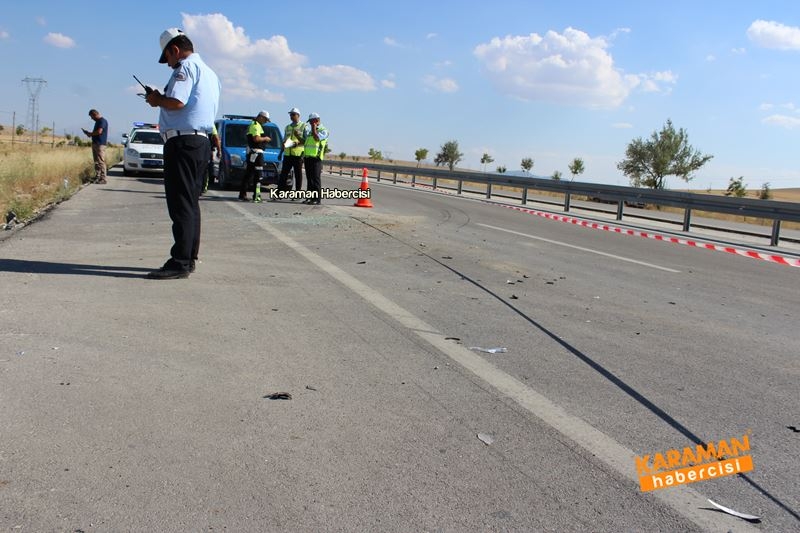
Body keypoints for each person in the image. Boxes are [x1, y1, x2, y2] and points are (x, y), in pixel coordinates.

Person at [144, 28, 220, 280]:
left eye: (167, 58)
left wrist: (156, 99)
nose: (168, 65)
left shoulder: (185, 69)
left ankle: (180, 261)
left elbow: (177, 101)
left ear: (175, 50)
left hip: (183, 143)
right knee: (191, 203)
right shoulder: (210, 73)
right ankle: (189, 257)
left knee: (180, 203)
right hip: (199, 143)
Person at [238, 110, 272, 202]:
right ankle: (256, 196)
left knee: (249, 174)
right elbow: (256, 139)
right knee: (258, 175)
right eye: (265, 120)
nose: (265, 122)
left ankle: (243, 194)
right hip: (256, 153)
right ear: (261, 117)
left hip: (253, 153)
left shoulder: (253, 124)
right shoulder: (256, 125)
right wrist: (266, 138)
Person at [277, 107, 305, 195]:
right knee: (283, 174)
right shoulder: (287, 127)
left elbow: (306, 140)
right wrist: (281, 152)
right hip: (287, 154)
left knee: (298, 175)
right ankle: (279, 193)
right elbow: (284, 141)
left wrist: (297, 142)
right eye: (290, 115)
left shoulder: (303, 126)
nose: (291, 116)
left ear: (298, 115)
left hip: (298, 154)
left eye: (293, 115)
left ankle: (297, 193)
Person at [302, 112, 328, 205]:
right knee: (309, 179)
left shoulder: (323, 130)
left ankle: (317, 199)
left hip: (316, 158)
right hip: (308, 157)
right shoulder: (310, 131)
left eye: (311, 121)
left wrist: (313, 128)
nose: (310, 123)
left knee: (315, 179)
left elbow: (317, 138)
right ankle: (309, 198)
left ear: (317, 120)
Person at [82, 109, 108, 184]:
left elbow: (99, 131)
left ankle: (103, 178)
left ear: (95, 114)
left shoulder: (102, 121)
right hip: (96, 143)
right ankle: (98, 176)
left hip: (100, 144)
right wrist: (89, 134)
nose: (91, 118)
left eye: (91, 117)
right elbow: (96, 132)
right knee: (96, 161)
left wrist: (90, 134)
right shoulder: (97, 122)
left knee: (100, 161)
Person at [202, 123, 221, 194]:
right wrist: (219, 150)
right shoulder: (210, 124)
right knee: (205, 169)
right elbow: (216, 138)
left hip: (198, 149)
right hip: (207, 149)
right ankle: (203, 187)